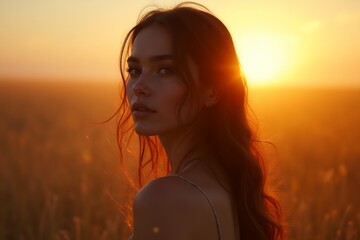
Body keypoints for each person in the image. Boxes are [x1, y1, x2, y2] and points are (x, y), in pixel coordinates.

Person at [116, 2, 284, 240]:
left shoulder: (165, 198)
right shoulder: (231, 184)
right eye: (134, 70)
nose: (139, 87)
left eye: (165, 70)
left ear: (213, 90)